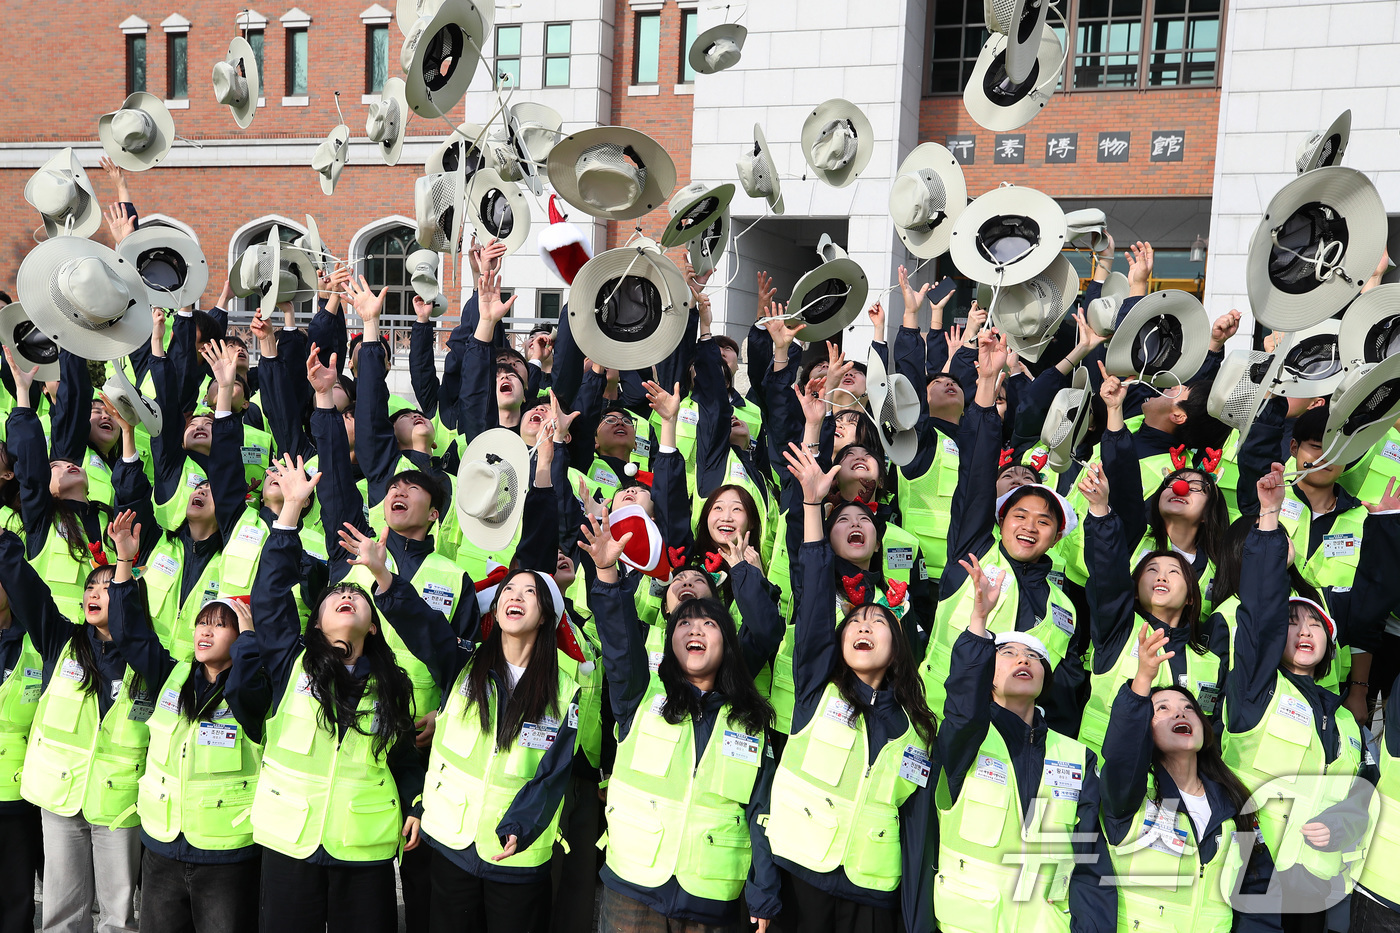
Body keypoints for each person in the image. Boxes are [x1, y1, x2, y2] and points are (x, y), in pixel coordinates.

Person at [753, 445, 936, 932]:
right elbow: (814, 597)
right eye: (856, 621)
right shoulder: (818, 688)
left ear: (898, 645)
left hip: (874, 894)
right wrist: (812, 506)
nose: (863, 627)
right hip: (800, 878)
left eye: (878, 622)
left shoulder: (917, 729)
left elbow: (918, 833)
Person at [582, 511, 781, 932]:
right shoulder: (641, 696)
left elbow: (761, 811)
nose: (696, 629)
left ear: (727, 643)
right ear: (670, 640)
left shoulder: (747, 720)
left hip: (711, 898)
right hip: (632, 889)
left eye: (709, 622)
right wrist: (606, 572)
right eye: (684, 623)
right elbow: (619, 647)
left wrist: (763, 889)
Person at [247, 458, 423, 933]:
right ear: (317, 621)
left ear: (373, 623)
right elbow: (267, 596)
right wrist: (290, 513)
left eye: (358, 597)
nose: (347, 597)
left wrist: (414, 802)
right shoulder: (292, 663)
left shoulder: (393, 684)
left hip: (363, 844)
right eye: (334, 597)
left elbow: (404, 759)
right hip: (291, 840)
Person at [1222, 464, 1378, 932]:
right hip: (1252, 870)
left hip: (1315, 888)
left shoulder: (1347, 720)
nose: (1305, 630)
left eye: (1315, 625)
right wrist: (1269, 518)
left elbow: (1362, 792)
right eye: (1292, 624)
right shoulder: (1255, 685)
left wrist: (1343, 825)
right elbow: (1259, 612)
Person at [105, 511, 270, 933]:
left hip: (226, 852)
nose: (205, 631)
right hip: (162, 844)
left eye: (220, 625)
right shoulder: (173, 674)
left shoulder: (255, 690)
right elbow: (131, 636)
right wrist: (124, 562)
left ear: (242, 636)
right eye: (202, 623)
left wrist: (251, 642)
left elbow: (248, 687)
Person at [934, 550, 1112, 933]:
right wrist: (979, 621)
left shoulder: (1078, 757)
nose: (1024, 659)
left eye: (1034, 656)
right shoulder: (968, 736)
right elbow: (964, 706)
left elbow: (1089, 861)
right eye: (1009, 653)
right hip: (969, 922)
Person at [922, 329, 1080, 726]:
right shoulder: (974, 550)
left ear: (1057, 535)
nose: (1029, 527)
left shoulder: (1065, 609)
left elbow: (1062, 693)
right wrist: (988, 384)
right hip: (937, 718)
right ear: (1000, 520)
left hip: (1014, 745)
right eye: (1019, 516)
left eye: (1044, 521)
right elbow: (975, 476)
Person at [0, 528, 144, 933]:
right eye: (90, 587)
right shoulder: (60, 639)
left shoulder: (149, 658)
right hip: (60, 798)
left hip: (119, 802)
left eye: (108, 585)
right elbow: (26, 587)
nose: (96, 594)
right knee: (61, 912)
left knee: (118, 916)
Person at [1098, 624, 1281, 932]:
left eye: (1188, 709)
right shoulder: (1130, 796)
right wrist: (1143, 679)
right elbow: (1122, 753)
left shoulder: (1235, 802)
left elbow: (1258, 894)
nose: (1179, 714)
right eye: (1163, 709)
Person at [1077, 461, 1229, 756]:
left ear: (1191, 596)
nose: (1161, 576)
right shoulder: (1118, 628)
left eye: (1174, 572)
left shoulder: (1210, 659)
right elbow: (1107, 574)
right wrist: (1099, 510)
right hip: (1103, 777)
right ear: (1134, 590)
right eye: (1151, 570)